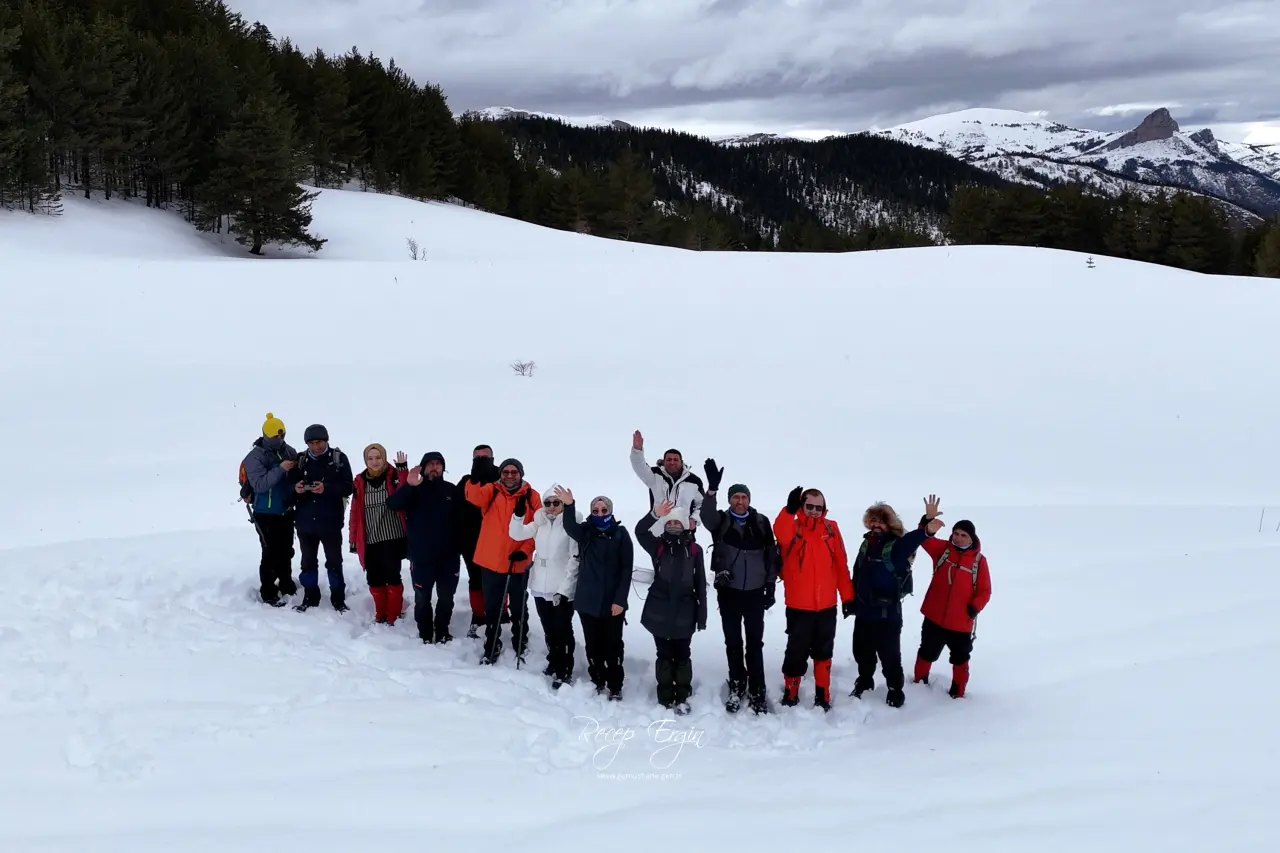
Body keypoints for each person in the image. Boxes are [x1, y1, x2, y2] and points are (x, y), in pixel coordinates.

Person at [700, 459, 780, 714]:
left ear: (749, 499)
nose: (740, 501)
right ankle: (736, 686)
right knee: (733, 642)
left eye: (743, 497)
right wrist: (711, 490)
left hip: (756, 593)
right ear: (730, 500)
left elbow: (771, 555)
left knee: (755, 644)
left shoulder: (761, 522)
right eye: (735, 497)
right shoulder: (721, 522)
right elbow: (705, 516)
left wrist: (770, 587)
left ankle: (758, 691)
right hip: (729, 592)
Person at [849, 497, 944, 707]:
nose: (876, 524)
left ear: (889, 524)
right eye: (873, 520)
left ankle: (895, 690)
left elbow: (914, 539)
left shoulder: (897, 546)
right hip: (864, 612)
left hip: (887, 615)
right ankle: (865, 681)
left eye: (881, 521)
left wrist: (927, 523)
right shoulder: (866, 544)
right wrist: (850, 599)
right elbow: (857, 572)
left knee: (890, 657)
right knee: (862, 652)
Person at [773, 486, 853, 711]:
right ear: (802, 506)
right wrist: (789, 511)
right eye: (810, 506)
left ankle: (823, 694)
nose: (815, 511)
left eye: (819, 507)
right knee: (796, 651)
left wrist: (847, 597)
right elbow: (780, 532)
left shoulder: (832, 529)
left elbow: (840, 565)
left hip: (827, 605)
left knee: (824, 650)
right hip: (799, 606)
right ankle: (791, 692)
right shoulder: (793, 527)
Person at [556, 487, 632, 700]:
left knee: (613, 646)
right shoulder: (586, 531)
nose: (599, 513)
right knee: (593, 645)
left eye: (604, 509)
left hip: (612, 603)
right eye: (596, 510)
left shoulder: (620, 534)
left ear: (610, 511)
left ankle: (615, 685)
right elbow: (569, 526)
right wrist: (569, 505)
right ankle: (598, 680)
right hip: (587, 601)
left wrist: (620, 600)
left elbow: (627, 569)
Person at [464, 455, 539, 664]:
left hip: (518, 562)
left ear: (521, 474)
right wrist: (475, 476)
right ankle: (492, 643)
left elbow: (537, 529)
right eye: (505, 472)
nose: (509, 476)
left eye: (514, 472)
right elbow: (473, 497)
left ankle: (520, 640)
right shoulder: (492, 490)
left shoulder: (532, 496)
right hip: (491, 561)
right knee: (493, 607)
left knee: (518, 606)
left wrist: (525, 551)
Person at [634, 501, 707, 715]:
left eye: (677, 521)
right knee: (664, 653)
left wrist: (701, 616)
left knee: (682, 654)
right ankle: (665, 695)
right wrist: (654, 514)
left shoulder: (694, 550)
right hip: (659, 610)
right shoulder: (658, 546)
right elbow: (639, 531)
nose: (673, 524)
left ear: (684, 524)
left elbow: (700, 584)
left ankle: (683, 695)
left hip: (685, 611)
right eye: (670, 521)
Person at [509, 484, 581, 688]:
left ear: (563, 504)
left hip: (561, 588)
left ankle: (564, 669)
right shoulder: (539, 523)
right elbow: (516, 534)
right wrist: (518, 515)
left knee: (563, 630)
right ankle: (554, 661)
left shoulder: (570, 524)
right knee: (549, 629)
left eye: (556, 503)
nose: (551, 507)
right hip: (540, 585)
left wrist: (565, 590)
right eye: (547, 503)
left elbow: (574, 560)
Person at [388, 451, 462, 643]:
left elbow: (464, 520)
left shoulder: (451, 491)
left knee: (446, 598)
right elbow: (393, 504)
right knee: (422, 597)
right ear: (423, 467)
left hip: (449, 558)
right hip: (421, 557)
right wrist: (409, 486)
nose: (434, 467)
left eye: (438, 464)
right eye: (430, 464)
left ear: (443, 468)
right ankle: (426, 633)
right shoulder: (414, 490)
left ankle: (443, 631)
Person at [914, 518, 992, 698]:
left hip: (961, 622)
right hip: (934, 617)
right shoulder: (943, 550)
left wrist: (974, 607)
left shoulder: (979, 562)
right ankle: (918, 685)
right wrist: (926, 523)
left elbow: (985, 590)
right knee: (926, 652)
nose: (958, 538)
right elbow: (923, 539)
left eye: (963, 535)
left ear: (972, 538)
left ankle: (958, 694)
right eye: (955, 533)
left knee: (960, 658)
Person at [292, 424, 355, 612]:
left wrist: (326, 488)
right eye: (311, 443)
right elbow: (289, 489)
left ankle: (338, 598)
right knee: (308, 562)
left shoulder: (338, 459)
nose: (316, 446)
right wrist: (297, 489)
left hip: (330, 522)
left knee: (334, 561)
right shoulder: (301, 461)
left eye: (318, 442)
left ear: (326, 440)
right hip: (305, 523)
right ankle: (310, 596)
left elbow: (349, 487)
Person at [241, 413, 299, 607]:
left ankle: (286, 583)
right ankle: (268, 591)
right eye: (276, 436)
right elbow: (259, 485)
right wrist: (281, 468)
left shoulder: (288, 451)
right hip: (265, 514)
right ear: (266, 435)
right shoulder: (254, 458)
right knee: (270, 552)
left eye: (282, 435)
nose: (280, 439)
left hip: (285, 510)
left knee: (286, 550)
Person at [348, 444, 409, 625]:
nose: (374, 462)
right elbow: (355, 513)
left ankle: (394, 615)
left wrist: (403, 469)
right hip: (370, 539)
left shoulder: (394, 476)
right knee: (374, 578)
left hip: (392, 537)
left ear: (384, 458)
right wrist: (353, 539)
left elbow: (407, 493)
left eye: (378, 458)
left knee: (392, 576)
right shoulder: (359, 482)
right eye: (370, 458)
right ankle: (380, 613)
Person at [456, 444, 500, 637]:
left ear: (493, 458)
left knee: (498, 579)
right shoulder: (466, 481)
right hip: (471, 540)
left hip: (497, 540)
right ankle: (479, 615)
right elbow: (455, 508)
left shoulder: (502, 480)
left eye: (485, 457)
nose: (481, 461)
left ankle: (501, 613)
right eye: (477, 458)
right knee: (476, 579)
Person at [630, 430, 704, 530]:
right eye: (669, 459)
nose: (672, 462)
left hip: (683, 532)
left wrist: (694, 519)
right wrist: (637, 450)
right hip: (657, 534)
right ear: (663, 462)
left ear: (682, 462)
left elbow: (702, 504)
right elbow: (639, 466)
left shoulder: (694, 481)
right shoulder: (655, 475)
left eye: (676, 459)